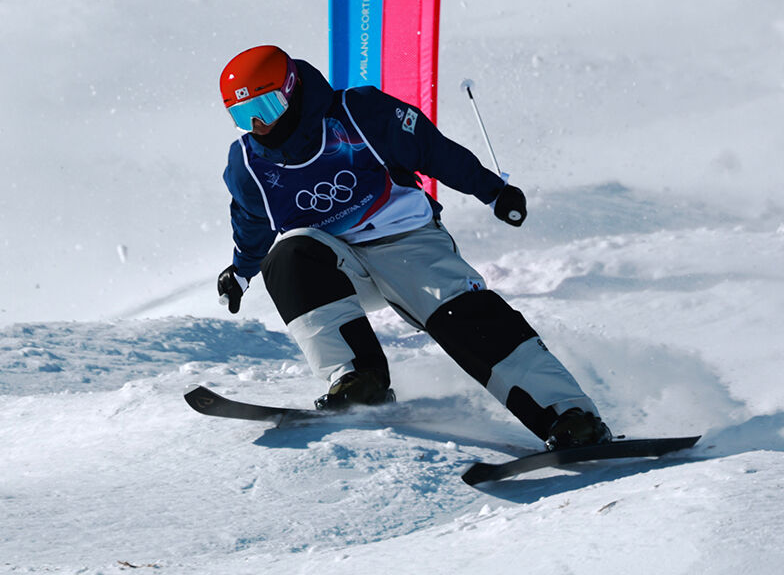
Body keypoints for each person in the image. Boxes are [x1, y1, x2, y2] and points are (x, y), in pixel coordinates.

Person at [214, 44, 610, 450]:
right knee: (287, 256)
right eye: (244, 116)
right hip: (339, 264)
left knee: (463, 318)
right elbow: (252, 223)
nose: (260, 124)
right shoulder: (248, 165)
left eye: (266, 106)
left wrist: (493, 191)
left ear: (292, 89)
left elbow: (433, 151)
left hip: (408, 243)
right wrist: (241, 272)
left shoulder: (357, 114)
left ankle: (568, 416)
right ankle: (358, 379)